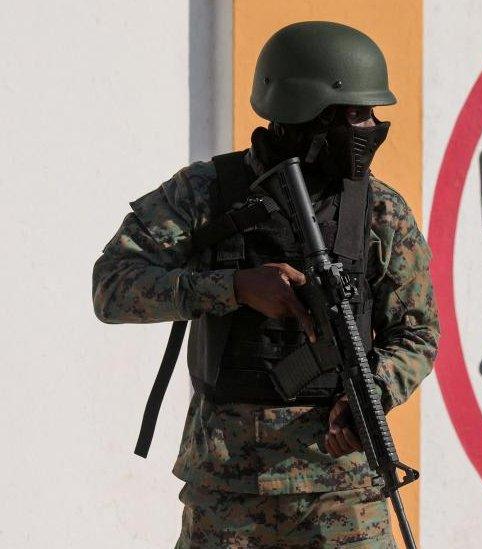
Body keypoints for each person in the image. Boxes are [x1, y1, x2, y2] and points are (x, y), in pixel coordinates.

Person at [92, 21, 438, 548]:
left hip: (343, 494)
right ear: (306, 112)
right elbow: (112, 288)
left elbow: (417, 332)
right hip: (228, 491)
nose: (372, 128)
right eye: (356, 116)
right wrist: (232, 287)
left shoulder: (381, 212)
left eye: (374, 115)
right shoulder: (206, 193)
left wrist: (370, 390)